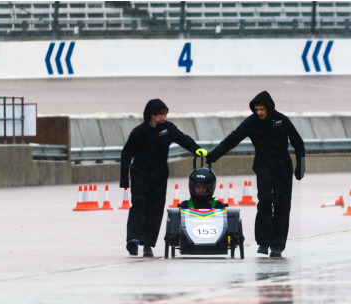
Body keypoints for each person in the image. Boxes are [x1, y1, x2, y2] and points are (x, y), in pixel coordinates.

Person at [208, 91, 305, 258]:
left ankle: (277, 245)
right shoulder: (252, 122)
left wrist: (300, 167)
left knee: (282, 206)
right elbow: (233, 139)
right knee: (265, 202)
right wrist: (213, 156)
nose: (259, 112)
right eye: (256, 109)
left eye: (262, 109)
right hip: (264, 168)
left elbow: (299, 143)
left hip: (283, 169)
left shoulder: (281, 120)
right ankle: (264, 242)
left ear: (269, 107)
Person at [120, 98, 205, 257]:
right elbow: (126, 154)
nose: (164, 117)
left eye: (166, 114)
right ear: (152, 115)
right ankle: (133, 240)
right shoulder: (139, 132)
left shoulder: (167, 129)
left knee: (155, 209)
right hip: (140, 174)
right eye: (161, 115)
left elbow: (183, 139)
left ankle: (148, 244)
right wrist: (124, 180)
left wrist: (197, 150)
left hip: (159, 176)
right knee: (138, 206)